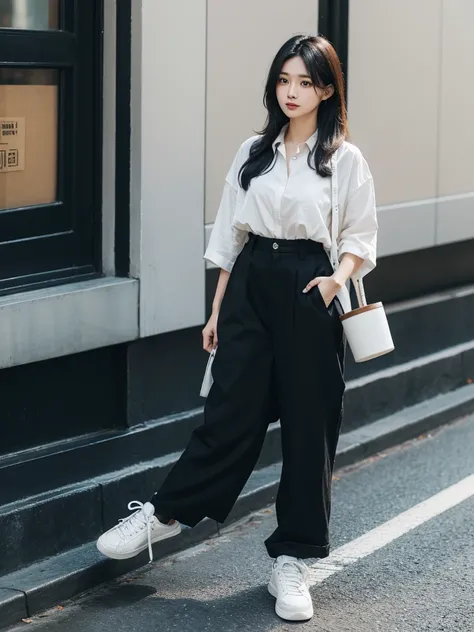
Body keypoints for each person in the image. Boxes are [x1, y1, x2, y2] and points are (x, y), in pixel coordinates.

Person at [96, 33, 377, 623]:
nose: (292, 92)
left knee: (309, 426)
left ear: (327, 89)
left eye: (305, 82)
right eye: (284, 80)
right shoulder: (255, 150)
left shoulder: (344, 158)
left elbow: (359, 238)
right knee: (231, 413)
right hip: (251, 284)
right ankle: (163, 513)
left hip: (310, 287)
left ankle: (293, 560)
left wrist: (333, 281)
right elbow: (230, 236)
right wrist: (218, 309)